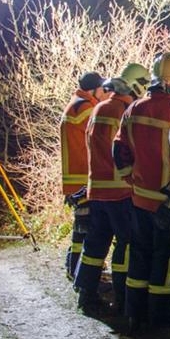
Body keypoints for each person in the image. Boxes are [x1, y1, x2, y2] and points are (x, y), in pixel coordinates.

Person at [115, 52, 170, 330]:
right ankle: (161, 315)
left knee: (140, 254)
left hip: (140, 197)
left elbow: (119, 150)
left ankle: (135, 312)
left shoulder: (133, 109)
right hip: (167, 201)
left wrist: (129, 179)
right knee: (167, 258)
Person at [73, 64, 148, 315]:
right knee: (126, 244)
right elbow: (129, 151)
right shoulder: (124, 112)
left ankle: (85, 292)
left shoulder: (98, 108)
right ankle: (123, 297)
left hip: (97, 189)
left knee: (95, 243)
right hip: (120, 190)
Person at [60, 71, 106, 279]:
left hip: (73, 178)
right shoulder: (87, 109)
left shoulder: (76, 104)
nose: (104, 93)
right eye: (101, 89)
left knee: (81, 225)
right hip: (82, 178)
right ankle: (76, 269)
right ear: (92, 90)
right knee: (85, 229)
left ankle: (73, 265)